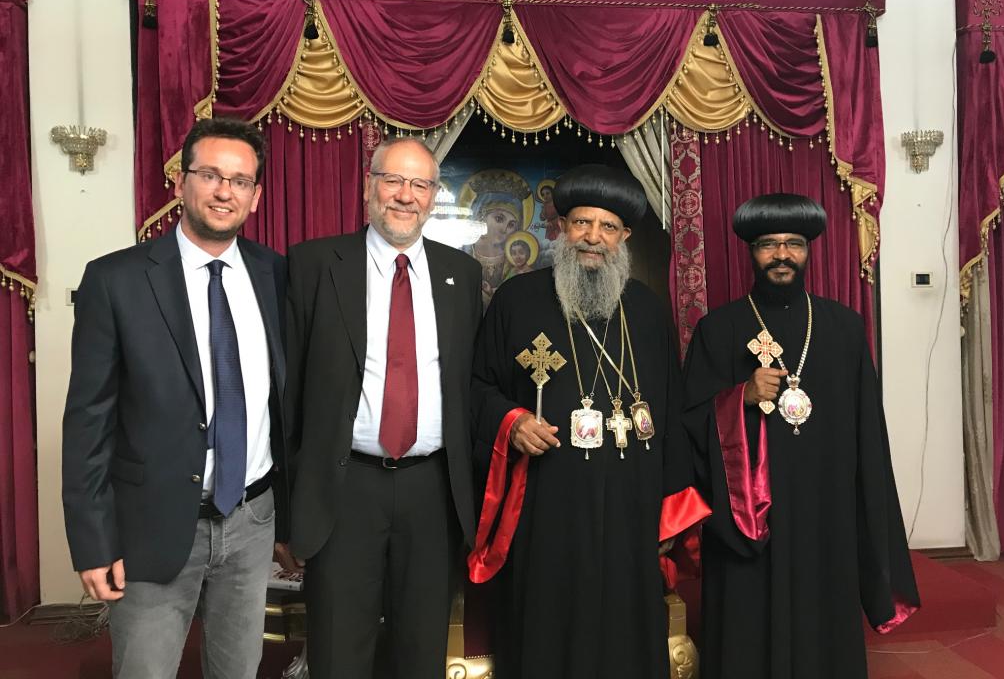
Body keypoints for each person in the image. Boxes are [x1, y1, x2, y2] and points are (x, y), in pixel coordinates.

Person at [62, 117, 288, 678]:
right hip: (153, 525)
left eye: (239, 180)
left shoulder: (278, 277)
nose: (223, 190)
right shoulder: (115, 281)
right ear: (180, 182)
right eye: (210, 174)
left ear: (256, 196)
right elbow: (87, 422)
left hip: (251, 519)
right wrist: (92, 542)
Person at [469, 164, 710, 679]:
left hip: (632, 503)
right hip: (547, 503)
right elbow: (477, 388)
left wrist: (670, 509)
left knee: (627, 626)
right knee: (546, 623)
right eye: (581, 223)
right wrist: (512, 422)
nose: (592, 238)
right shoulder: (518, 300)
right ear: (560, 228)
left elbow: (670, 414)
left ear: (624, 237)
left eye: (607, 227)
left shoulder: (646, 310)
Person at [681, 193, 920, 679]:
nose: (782, 254)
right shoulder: (719, 329)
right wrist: (739, 398)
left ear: (810, 250)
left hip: (824, 512)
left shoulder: (843, 328)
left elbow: (868, 432)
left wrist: (866, 509)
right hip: (749, 521)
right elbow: (686, 424)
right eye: (769, 244)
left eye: (793, 243)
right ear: (750, 250)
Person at [283, 138, 482, 678]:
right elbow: (288, 392)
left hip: (432, 489)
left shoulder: (460, 276)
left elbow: (469, 388)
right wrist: (286, 508)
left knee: (421, 652)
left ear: (434, 196)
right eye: (394, 180)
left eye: (420, 185)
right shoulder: (314, 264)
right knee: (339, 650)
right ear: (370, 186)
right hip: (344, 488)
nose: (405, 195)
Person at [464, 169, 530, 305]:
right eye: (499, 219)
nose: (505, 229)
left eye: (512, 224)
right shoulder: (462, 255)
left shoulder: (516, 263)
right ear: (480, 217)